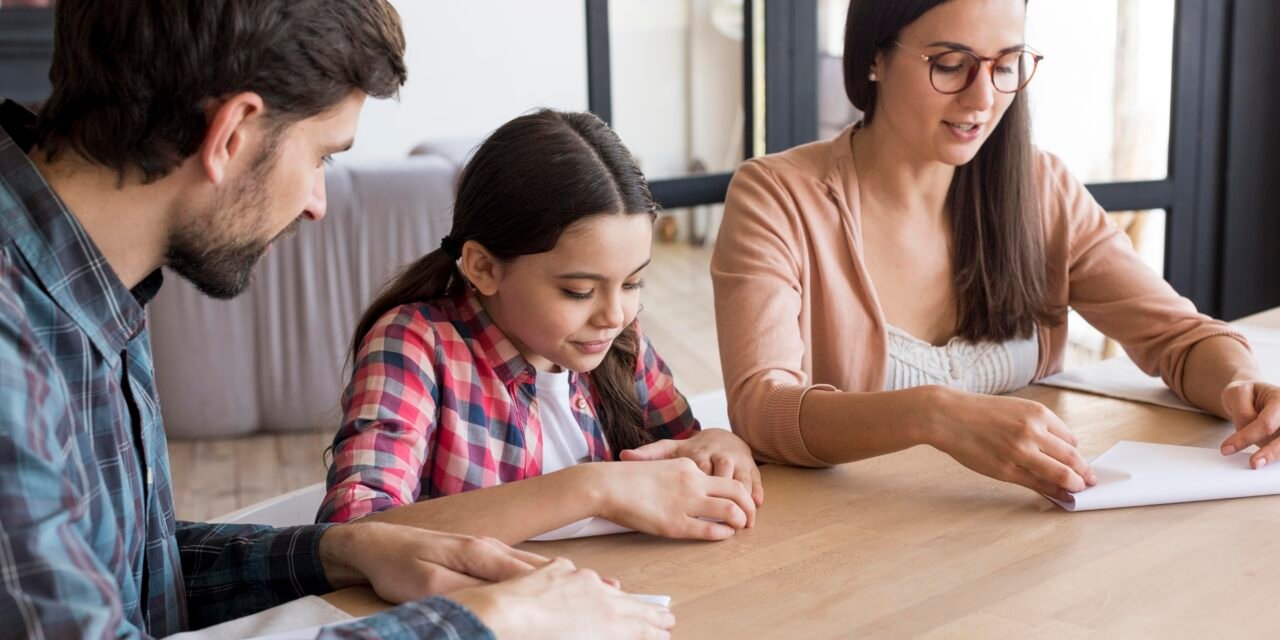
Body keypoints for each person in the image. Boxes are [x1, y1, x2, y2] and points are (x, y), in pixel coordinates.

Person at [0, 2, 671, 638]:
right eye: (322, 155)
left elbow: (139, 575)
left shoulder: (83, 280)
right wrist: (495, 622)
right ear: (232, 133)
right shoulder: (13, 338)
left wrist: (344, 549)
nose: (318, 201)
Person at [711, 0, 1278, 502]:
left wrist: (1240, 383)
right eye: (950, 64)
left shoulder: (1041, 189)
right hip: (850, 547)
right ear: (873, 59)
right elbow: (763, 408)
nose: (983, 97)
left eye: (1005, 65)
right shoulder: (778, 196)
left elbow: (1177, 335)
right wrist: (934, 415)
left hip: (1025, 533)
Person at [318, 109, 763, 545]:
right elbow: (355, 531)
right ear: (484, 267)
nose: (614, 314)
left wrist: (717, 445)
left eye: (632, 282)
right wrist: (595, 489)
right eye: (578, 291)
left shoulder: (619, 340)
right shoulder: (415, 344)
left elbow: (683, 452)